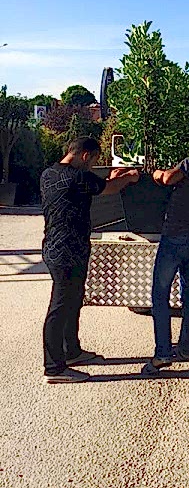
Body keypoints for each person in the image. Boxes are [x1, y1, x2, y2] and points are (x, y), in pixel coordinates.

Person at [41, 137, 140, 383]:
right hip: (69, 250)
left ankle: (72, 352)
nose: (93, 165)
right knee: (60, 306)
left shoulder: (49, 174)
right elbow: (109, 188)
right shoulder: (79, 177)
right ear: (85, 156)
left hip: (54, 246)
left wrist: (112, 178)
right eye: (94, 160)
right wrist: (130, 177)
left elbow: (100, 183)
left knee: (73, 300)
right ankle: (54, 368)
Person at [142, 134, 189, 376]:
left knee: (160, 295)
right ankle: (186, 347)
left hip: (173, 238)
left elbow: (167, 179)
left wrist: (155, 173)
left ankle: (163, 353)